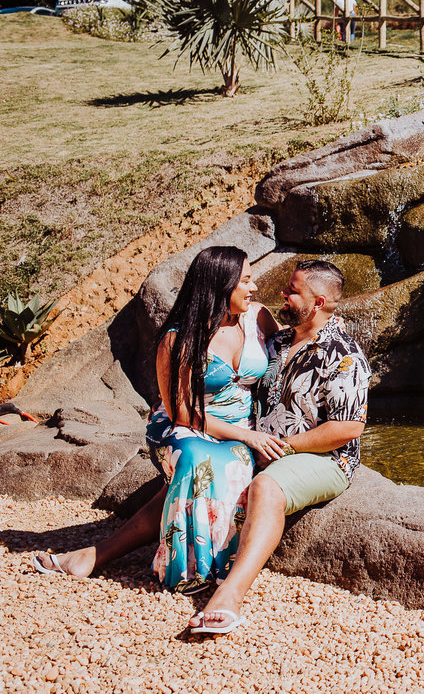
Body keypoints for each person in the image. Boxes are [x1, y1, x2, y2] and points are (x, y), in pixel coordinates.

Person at [33, 246, 288, 597]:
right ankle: (189, 571)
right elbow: (182, 413)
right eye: (245, 280)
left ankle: (96, 555)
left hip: (241, 428)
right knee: (196, 459)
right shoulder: (178, 338)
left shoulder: (258, 317)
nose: (253, 287)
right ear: (220, 284)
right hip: (185, 427)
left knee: (209, 468)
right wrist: (248, 437)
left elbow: (290, 350)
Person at [188, 258, 370, 634]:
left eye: (293, 290)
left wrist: (284, 447)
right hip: (263, 446)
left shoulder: (344, 355)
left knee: (266, 487)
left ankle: (229, 596)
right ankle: (100, 553)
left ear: (318, 303)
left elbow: (349, 427)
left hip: (324, 458)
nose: (283, 294)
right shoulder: (279, 341)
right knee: (198, 470)